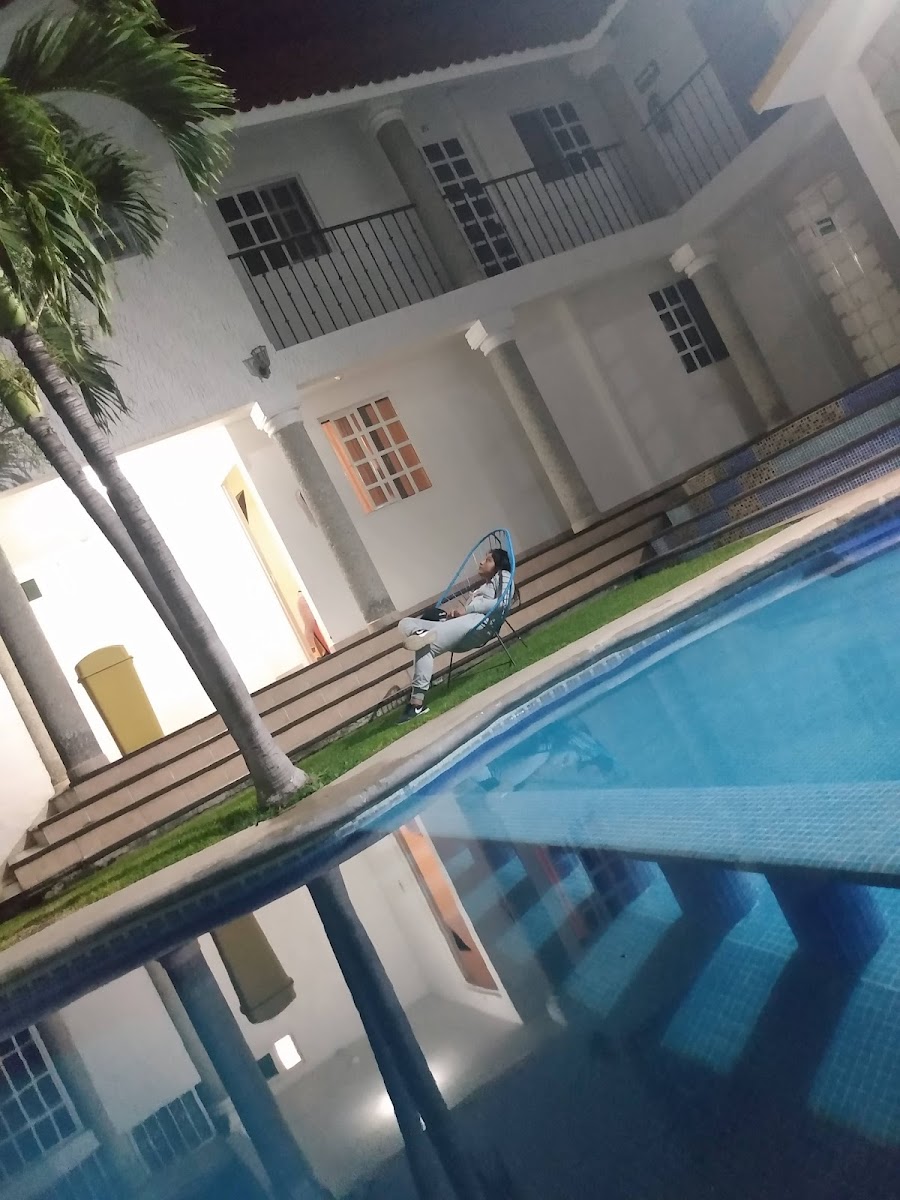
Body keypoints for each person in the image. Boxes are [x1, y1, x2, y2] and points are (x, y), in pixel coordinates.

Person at [397, 547, 512, 722]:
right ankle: (419, 632)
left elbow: (502, 602)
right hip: (463, 624)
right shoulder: (482, 588)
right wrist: (454, 615)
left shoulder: (504, 575)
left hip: (478, 624)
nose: (482, 562)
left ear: (498, 565)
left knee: (426, 645)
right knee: (405, 622)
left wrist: (468, 609)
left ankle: (416, 704)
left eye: (488, 560)